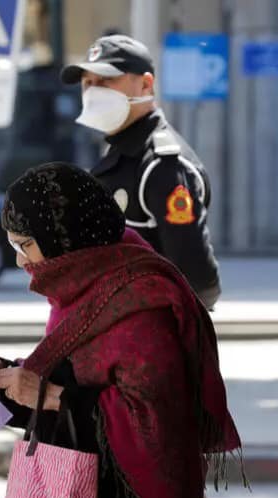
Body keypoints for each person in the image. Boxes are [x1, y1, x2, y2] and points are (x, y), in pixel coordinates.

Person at [0, 163, 242, 498]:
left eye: (26, 244)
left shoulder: (142, 297)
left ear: (63, 235)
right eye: (13, 247)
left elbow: (157, 419)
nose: (23, 261)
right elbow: (70, 383)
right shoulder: (81, 287)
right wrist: (2, 379)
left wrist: (49, 394)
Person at [61, 35, 221, 309]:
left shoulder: (162, 165)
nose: (93, 91)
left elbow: (198, 279)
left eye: (106, 81)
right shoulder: (119, 155)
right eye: (88, 83)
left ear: (146, 84)